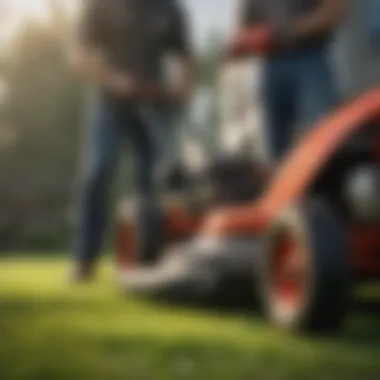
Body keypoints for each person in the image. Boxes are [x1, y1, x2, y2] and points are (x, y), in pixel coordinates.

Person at [68, 0, 194, 282]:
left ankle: (149, 259)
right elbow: (79, 56)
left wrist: (182, 88)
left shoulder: (167, 8)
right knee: (98, 171)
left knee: (154, 181)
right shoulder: (100, 6)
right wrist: (114, 80)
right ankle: (83, 260)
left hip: (154, 101)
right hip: (110, 102)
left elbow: (185, 58)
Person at [233, 0, 345, 163]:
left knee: (323, 135)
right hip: (272, 62)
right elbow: (245, 27)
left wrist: (287, 31)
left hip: (311, 58)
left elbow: (334, 12)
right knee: (278, 148)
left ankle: (327, 181)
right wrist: (252, 39)